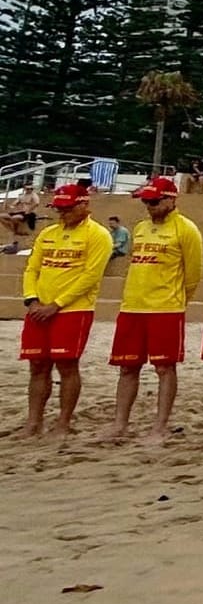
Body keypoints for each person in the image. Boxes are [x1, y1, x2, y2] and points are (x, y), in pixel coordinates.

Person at [99, 177, 203, 445]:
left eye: (154, 201)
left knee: (164, 368)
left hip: (165, 308)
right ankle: (120, 422)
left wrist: (177, 301)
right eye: (146, 201)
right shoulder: (142, 227)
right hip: (133, 306)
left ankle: (160, 426)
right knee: (126, 367)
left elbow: (193, 275)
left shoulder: (186, 229)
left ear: (171, 200)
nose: (149, 206)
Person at [18, 184, 113, 439]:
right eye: (59, 208)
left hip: (73, 309)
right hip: (39, 308)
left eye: (68, 208)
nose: (63, 213)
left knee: (67, 365)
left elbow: (90, 276)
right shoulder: (48, 233)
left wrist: (57, 304)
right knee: (37, 365)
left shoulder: (98, 234)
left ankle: (63, 422)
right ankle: (33, 422)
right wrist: (32, 300)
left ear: (84, 205)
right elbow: (32, 269)